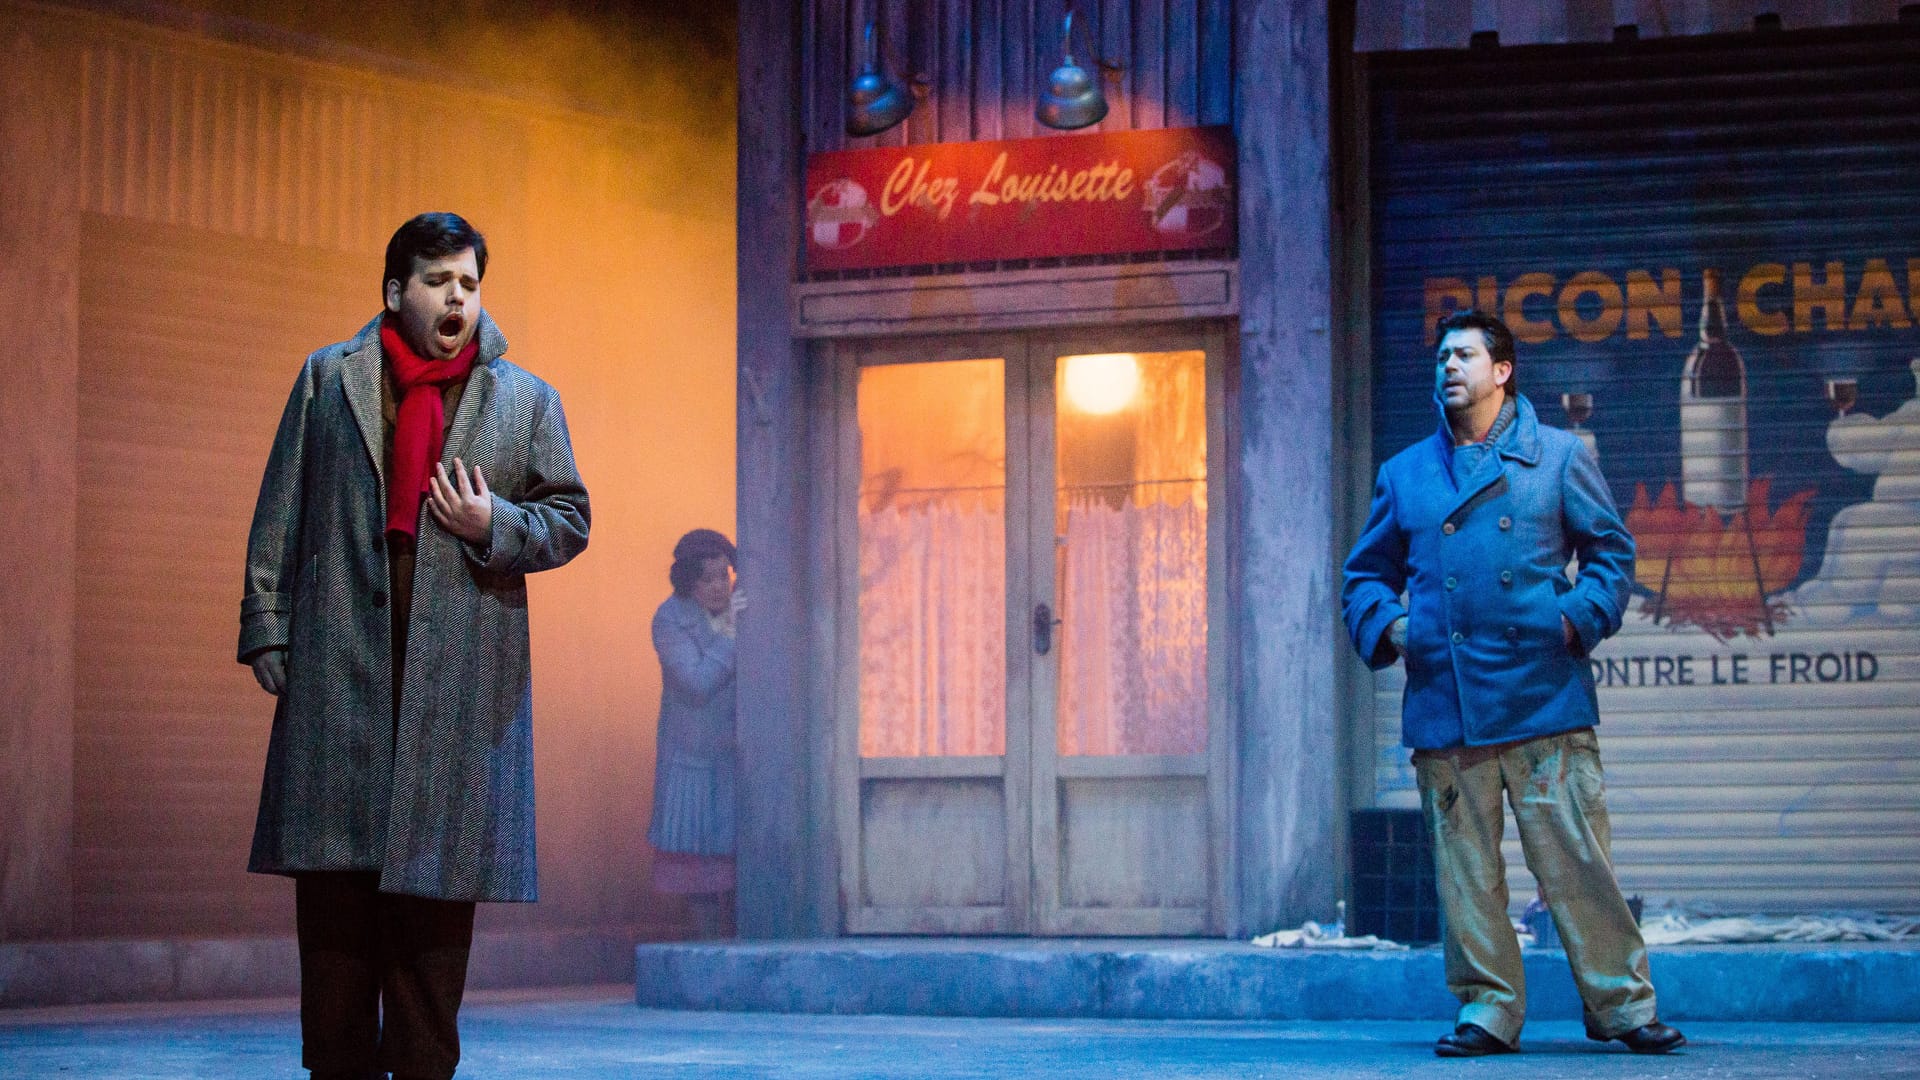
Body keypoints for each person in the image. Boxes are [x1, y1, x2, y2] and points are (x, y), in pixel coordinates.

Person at [238, 212, 590, 1080]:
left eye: (470, 283)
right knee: (336, 972)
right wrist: (267, 625)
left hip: (456, 696)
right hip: (340, 684)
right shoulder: (331, 379)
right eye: (439, 280)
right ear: (397, 292)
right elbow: (280, 506)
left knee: (430, 982)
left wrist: (493, 522)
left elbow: (570, 519)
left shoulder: (524, 398)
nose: (457, 297)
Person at [1340, 310, 1684, 1058]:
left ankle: (1621, 1004)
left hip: (1545, 697)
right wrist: (1395, 630)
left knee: (1578, 865)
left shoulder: (1559, 457)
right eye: (1440, 357)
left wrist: (1572, 619)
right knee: (1466, 876)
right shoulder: (1405, 474)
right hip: (1446, 702)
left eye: (1464, 354)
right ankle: (1489, 1008)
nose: (1447, 367)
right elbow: (1364, 574)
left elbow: (1611, 555)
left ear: (1502, 371)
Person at [647, 528, 745, 938]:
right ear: (688, 581)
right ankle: (706, 951)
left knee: (739, 869)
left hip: (736, 757)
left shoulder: (743, 610)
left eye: (723, 575)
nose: (718, 586)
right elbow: (696, 681)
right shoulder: (669, 618)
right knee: (700, 872)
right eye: (707, 578)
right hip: (692, 760)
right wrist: (728, 637)